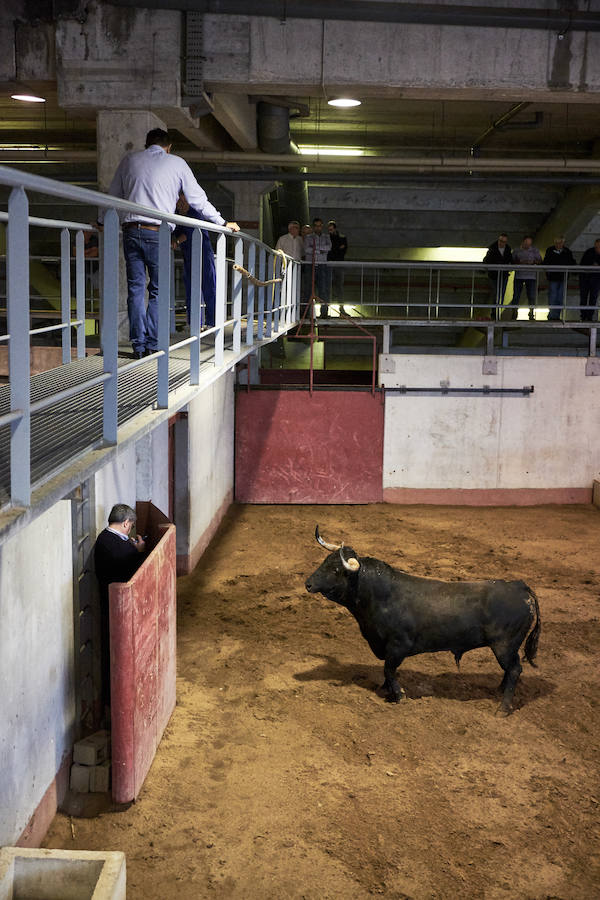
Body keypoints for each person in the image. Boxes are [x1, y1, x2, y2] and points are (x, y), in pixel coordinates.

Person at [98, 128, 239, 359]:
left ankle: (138, 344)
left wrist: (101, 221)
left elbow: (112, 195)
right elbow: (198, 200)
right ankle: (153, 343)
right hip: (159, 233)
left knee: (135, 289)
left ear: (146, 144)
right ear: (169, 147)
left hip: (131, 231)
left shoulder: (129, 160)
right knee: (157, 290)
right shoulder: (177, 163)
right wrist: (223, 222)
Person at [94, 504, 146, 712]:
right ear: (126, 523)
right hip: (118, 610)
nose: (130, 530)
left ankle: (110, 704)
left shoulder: (105, 539)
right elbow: (131, 570)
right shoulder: (120, 548)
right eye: (130, 526)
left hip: (109, 606)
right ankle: (113, 705)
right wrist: (139, 552)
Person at [172, 194, 217, 328]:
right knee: (191, 289)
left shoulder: (194, 213)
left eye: (183, 201)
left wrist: (177, 241)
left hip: (203, 254)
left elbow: (190, 231)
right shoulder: (177, 215)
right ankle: (194, 323)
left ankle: (211, 322)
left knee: (208, 288)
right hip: (189, 256)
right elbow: (175, 231)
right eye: (178, 201)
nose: (181, 204)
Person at [543, 236, 576, 321]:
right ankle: (552, 316)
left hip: (563, 277)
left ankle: (556, 316)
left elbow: (571, 262)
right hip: (553, 277)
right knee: (553, 296)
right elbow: (546, 262)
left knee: (560, 297)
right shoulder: (550, 250)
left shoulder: (567, 251)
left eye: (560, 243)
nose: (559, 244)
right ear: (555, 243)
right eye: (557, 243)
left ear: (563, 243)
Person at [303, 217, 332, 316]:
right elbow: (307, 249)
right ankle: (306, 313)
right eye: (316, 226)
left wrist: (315, 249)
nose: (318, 228)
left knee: (323, 289)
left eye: (320, 226)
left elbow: (329, 247)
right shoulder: (308, 237)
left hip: (322, 265)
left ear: (322, 226)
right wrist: (320, 251)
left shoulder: (326, 237)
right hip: (310, 266)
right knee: (308, 289)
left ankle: (324, 313)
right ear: (313, 227)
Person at [510, 236, 542, 320]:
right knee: (516, 295)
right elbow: (511, 262)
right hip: (519, 276)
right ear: (523, 242)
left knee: (531, 295)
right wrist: (519, 262)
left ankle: (531, 313)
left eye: (529, 244)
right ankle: (514, 312)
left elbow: (540, 261)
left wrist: (533, 262)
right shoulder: (516, 251)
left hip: (531, 276)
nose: (528, 245)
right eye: (526, 243)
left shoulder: (535, 250)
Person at [483, 233, 512, 319]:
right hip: (494, 275)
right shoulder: (492, 249)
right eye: (500, 241)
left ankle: (497, 311)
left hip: (504, 275)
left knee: (501, 294)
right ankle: (494, 313)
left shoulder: (507, 249)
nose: (501, 243)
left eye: (504, 242)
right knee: (496, 293)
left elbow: (510, 259)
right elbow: (486, 260)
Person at [327, 219, 348, 310]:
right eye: (329, 230)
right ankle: (327, 309)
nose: (330, 231)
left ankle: (341, 308)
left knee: (339, 286)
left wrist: (333, 249)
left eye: (331, 229)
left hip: (338, 264)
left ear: (335, 229)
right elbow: (330, 250)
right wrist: (337, 248)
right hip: (330, 264)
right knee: (328, 286)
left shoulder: (342, 237)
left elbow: (342, 251)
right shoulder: (327, 238)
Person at [578, 239, 600, 322]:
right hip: (585, 279)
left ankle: (590, 316)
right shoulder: (589, 252)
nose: (597, 248)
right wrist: (591, 265)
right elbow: (582, 264)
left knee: (593, 298)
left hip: (596, 280)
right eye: (596, 246)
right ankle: (583, 316)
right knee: (583, 298)